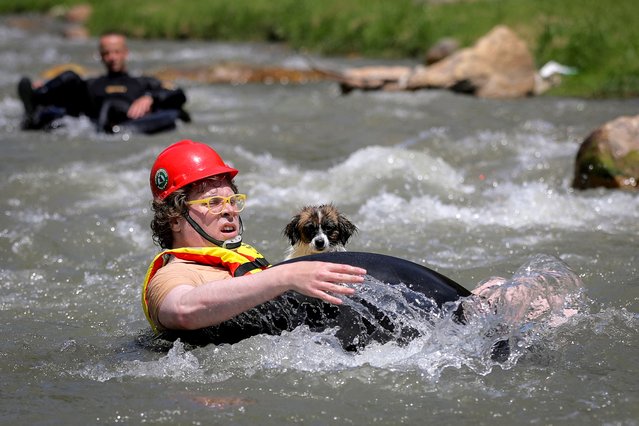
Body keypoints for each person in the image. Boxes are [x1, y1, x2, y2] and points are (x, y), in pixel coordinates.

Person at [142, 140, 367, 339]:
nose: (229, 210)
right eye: (213, 202)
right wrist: (285, 275)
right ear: (174, 219)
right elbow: (181, 310)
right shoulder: (174, 273)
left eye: (232, 200)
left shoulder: (245, 257)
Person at [17, 32, 189, 134]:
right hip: (95, 126)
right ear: (100, 56)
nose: (112, 57)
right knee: (69, 76)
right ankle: (35, 102)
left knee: (174, 114)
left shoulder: (142, 83)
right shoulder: (92, 84)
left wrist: (151, 97)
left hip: (129, 125)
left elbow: (178, 94)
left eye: (116, 52)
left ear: (125, 53)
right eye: (107, 53)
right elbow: (70, 100)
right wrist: (45, 89)